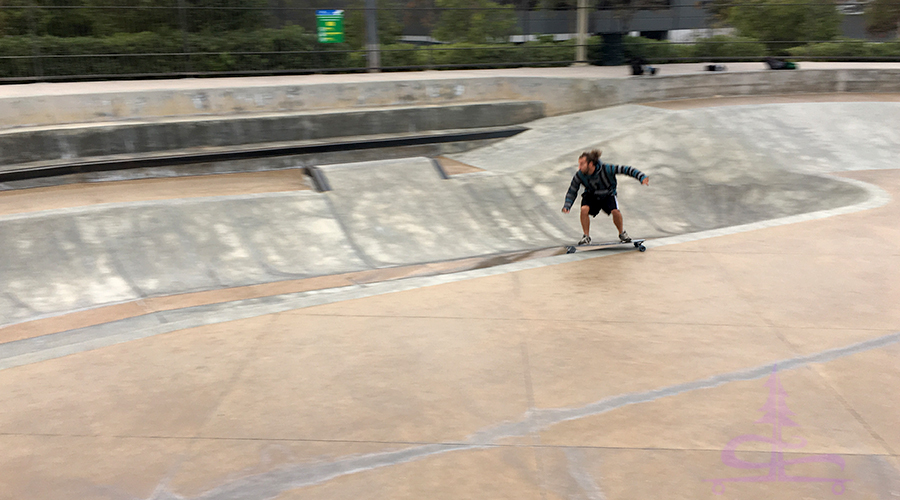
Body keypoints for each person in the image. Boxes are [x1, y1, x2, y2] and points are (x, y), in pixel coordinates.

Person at [561, 149, 649, 245]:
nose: (579, 167)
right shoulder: (579, 175)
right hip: (591, 195)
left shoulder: (607, 169)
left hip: (608, 194)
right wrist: (567, 205)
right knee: (584, 209)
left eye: (582, 164)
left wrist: (641, 177)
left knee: (615, 211)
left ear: (590, 164)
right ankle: (586, 236)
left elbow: (625, 169)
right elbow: (572, 190)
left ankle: (622, 233)